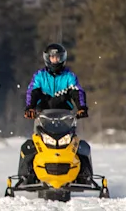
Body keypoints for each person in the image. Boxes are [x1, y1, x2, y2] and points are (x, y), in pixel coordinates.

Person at [17, 43, 93, 184]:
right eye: (52, 58)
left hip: (66, 117)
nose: (55, 61)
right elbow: (32, 92)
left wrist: (82, 107)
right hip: (43, 116)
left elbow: (77, 91)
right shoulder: (40, 76)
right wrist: (30, 108)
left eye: (57, 58)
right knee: (33, 145)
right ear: (47, 59)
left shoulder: (69, 76)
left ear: (62, 59)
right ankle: (26, 175)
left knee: (77, 145)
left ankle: (84, 174)